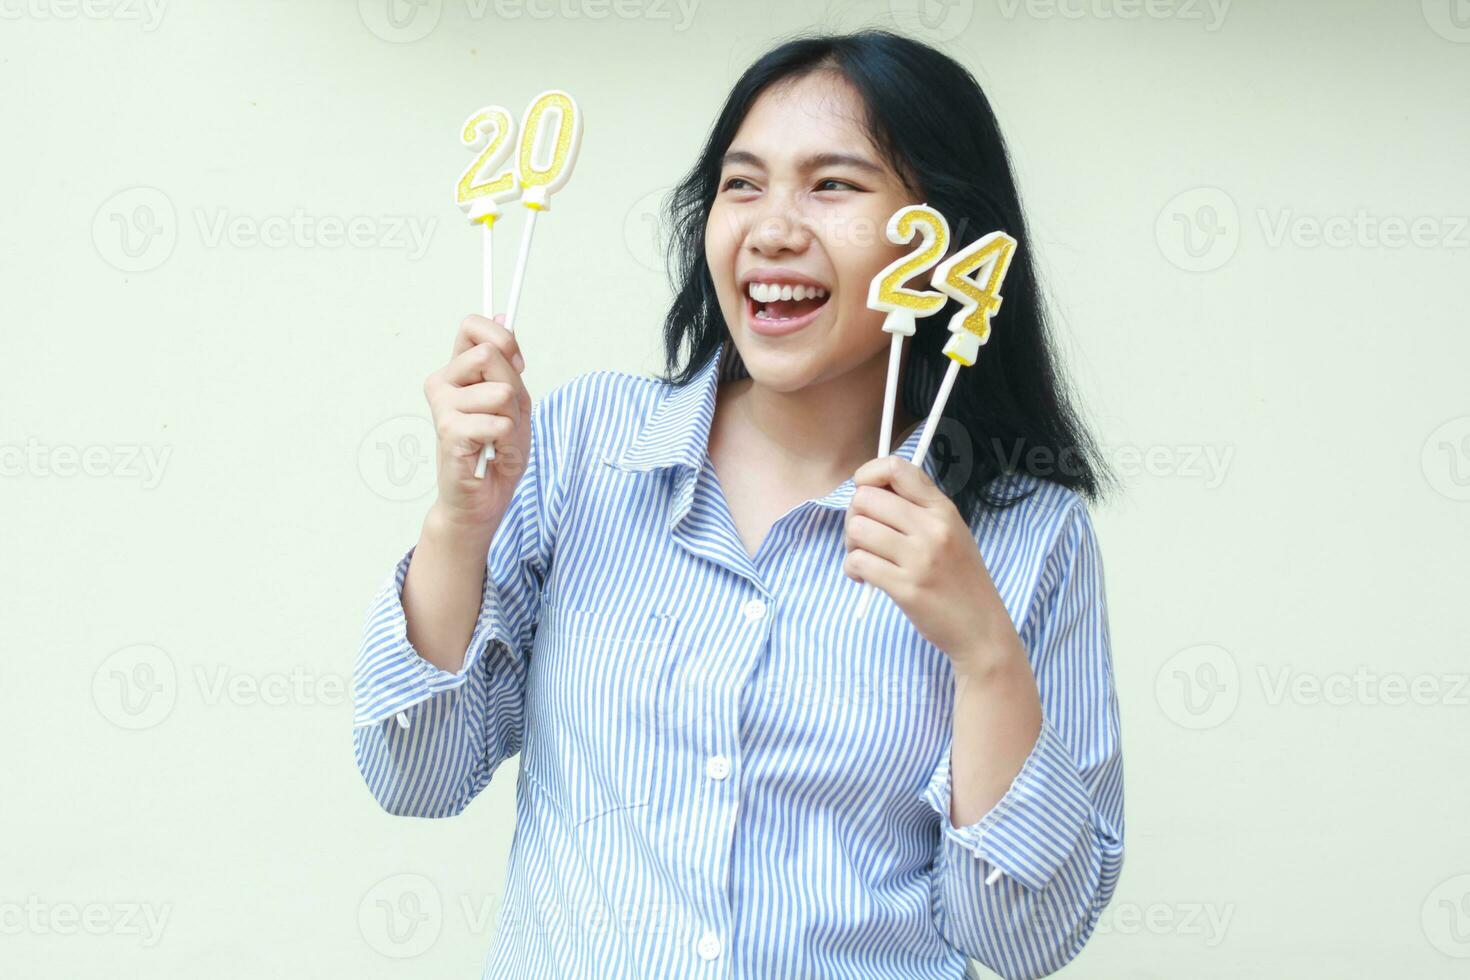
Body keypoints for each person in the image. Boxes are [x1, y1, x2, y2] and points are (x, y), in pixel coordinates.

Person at [353, 29, 1124, 980]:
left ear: (945, 245)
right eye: (742, 184)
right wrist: (459, 527)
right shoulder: (588, 442)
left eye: (834, 185)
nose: (772, 229)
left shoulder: (1027, 535)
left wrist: (986, 656)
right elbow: (413, 774)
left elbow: (1024, 941)